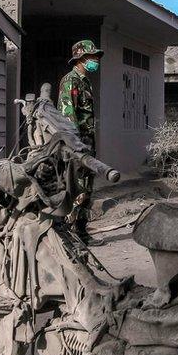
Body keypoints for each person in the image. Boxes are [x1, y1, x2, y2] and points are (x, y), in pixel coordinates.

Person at [59, 39, 105, 246]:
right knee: (76, 187)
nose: (95, 60)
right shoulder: (70, 81)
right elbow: (68, 117)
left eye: (96, 57)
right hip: (76, 145)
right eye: (92, 57)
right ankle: (71, 234)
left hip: (87, 141)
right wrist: (76, 147)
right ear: (80, 59)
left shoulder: (85, 81)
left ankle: (81, 231)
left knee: (86, 187)